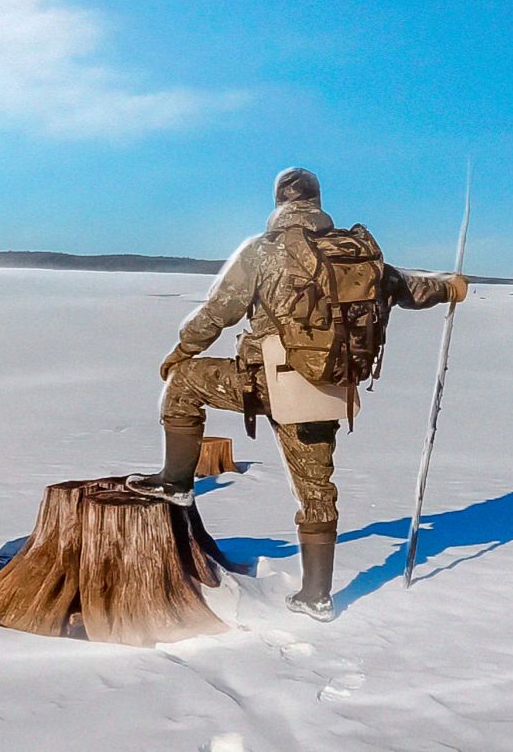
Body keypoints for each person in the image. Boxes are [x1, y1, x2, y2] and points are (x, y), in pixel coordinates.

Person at [126, 167, 469, 620]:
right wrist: (452, 287)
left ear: (279, 203)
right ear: (317, 202)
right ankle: (317, 596)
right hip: (329, 385)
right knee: (317, 489)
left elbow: (218, 311)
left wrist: (182, 349)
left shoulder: (263, 252)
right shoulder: (356, 255)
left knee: (186, 381)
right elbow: (412, 288)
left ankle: (176, 483)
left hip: (264, 382)